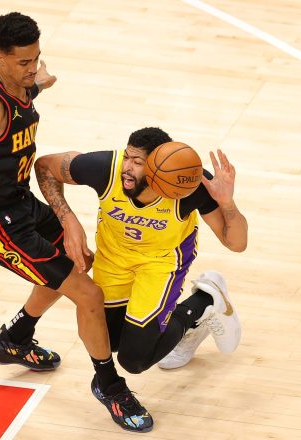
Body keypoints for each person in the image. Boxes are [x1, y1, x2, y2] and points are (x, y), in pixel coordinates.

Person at [0, 12, 153, 433]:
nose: (32, 68)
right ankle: (110, 385)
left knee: (77, 260)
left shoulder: (23, 86)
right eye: (24, 63)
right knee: (88, 294)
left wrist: (40, 83)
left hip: (21, 203)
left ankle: (15, 338)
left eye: (36, 59)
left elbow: (28, 96)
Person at [34, 127, 248, 382]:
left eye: (137, 162)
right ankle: (178, 325)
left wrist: (226, 203)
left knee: (134, 360)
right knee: (109, 341)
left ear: (157, 167)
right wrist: (67, 219)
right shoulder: (105, 168)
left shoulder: (188, 184)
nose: (127, 167)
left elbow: (236, 243)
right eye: (127, 157)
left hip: (161, 264)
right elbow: (45, 167)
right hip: (114, 259)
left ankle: (204, 303)